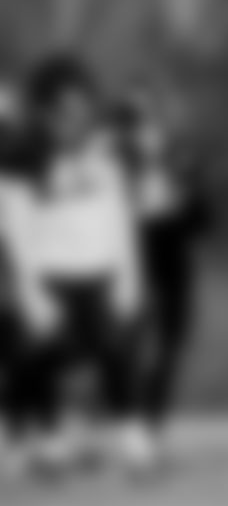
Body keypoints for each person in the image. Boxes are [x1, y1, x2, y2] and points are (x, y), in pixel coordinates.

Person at [0, 56, 146, 478]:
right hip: (50, 273)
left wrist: (128, 277)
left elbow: (120, 219)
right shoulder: (19, 163)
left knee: (116, 353)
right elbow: (15, 230)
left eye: (82, 108)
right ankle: (48, 440)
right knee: (42, 356)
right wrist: (30, 291)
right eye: (65, 110)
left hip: (99, 271)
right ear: (45, 111)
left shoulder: (105, 158)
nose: (75, 119)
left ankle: (132, 438)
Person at [114, 100, 208, 473]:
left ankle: (151, 429)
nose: (151, 136)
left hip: (174, 273)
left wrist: (182, 201)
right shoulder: (118, 171)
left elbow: (203, 223)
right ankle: (121, 428)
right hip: (132, 271)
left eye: (155, 128)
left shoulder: (181, 169)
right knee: (126, 353)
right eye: (143, 129)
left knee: (168, 352)